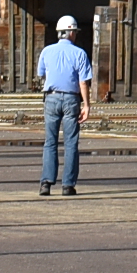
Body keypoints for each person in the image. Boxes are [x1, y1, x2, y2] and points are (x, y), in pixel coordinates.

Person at [36, 15, 94, 196]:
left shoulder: (46, 51)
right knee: (71, 143)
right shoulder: (80, 53)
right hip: (71, 99)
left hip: (51, 98)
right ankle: (68, 185)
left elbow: (41, 74)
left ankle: (46, 182)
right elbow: (83, 82)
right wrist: (87, 105)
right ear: (71, 33)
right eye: (75, 32)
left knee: (50, 142)